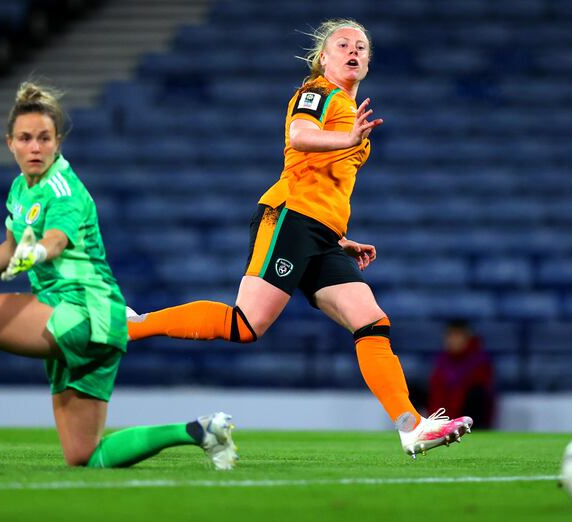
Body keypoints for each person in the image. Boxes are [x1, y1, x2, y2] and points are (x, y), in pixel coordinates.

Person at [127, 19, 473, 457]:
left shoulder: (351, 111)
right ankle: (134, 326)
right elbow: (299, 135)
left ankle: (412, 426)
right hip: (289, 216)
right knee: (245, 324)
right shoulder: (316, 93)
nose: (353, 51)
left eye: (361, 47)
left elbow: (330, 182)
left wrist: (337, 236)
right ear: (323, 58)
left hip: (323, 232)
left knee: (371, 321)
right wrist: (345, 138)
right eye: (343, 44)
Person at [0, 82, 237, 470]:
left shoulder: (61, 188)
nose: (35, 147)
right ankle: (198, 430)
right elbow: (8, 245)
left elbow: (54, 240)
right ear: (10, 143)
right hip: (101, 325)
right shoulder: (20, 188)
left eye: (44, 138)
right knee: (86, 456)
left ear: (58, 142)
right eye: (25, 138)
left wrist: (34, 252)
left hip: (76, 310)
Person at [428, 320, 496, 429]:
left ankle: (473, 430)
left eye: (457, 336)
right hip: (445, 412)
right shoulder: (441, 359)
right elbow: (436, 390)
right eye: (450, 336)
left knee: (476, 394)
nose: (453, 340)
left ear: (467, 338)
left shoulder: (479, 360)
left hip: (467, 413)